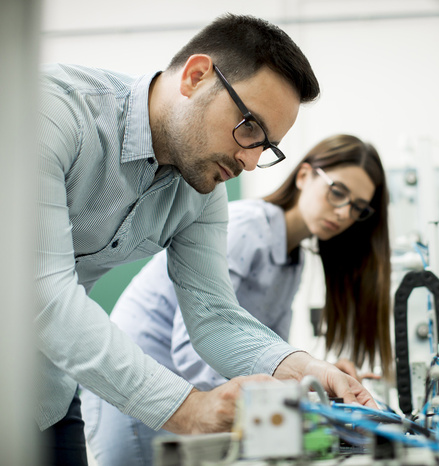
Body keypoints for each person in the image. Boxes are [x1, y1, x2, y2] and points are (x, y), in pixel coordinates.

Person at [35, 14, 376, 465]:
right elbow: (43, 294)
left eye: (266, 146)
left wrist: (305, 368)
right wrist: (188, 408)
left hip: (47, 396)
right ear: (197, 77)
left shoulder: (201, 191)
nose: (250, 162)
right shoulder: (50, 114)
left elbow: (215, 317)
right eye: (249, 126)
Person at [82, 134, 393, 465]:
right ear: (304, 176)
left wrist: (318, 377)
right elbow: (193, 348)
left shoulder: (292, 259)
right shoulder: (248, 227)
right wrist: (285, 397)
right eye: (338, 192)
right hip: (136, 389)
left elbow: (265, 352)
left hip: (186, 399)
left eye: (357, 208)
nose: (344, 212)